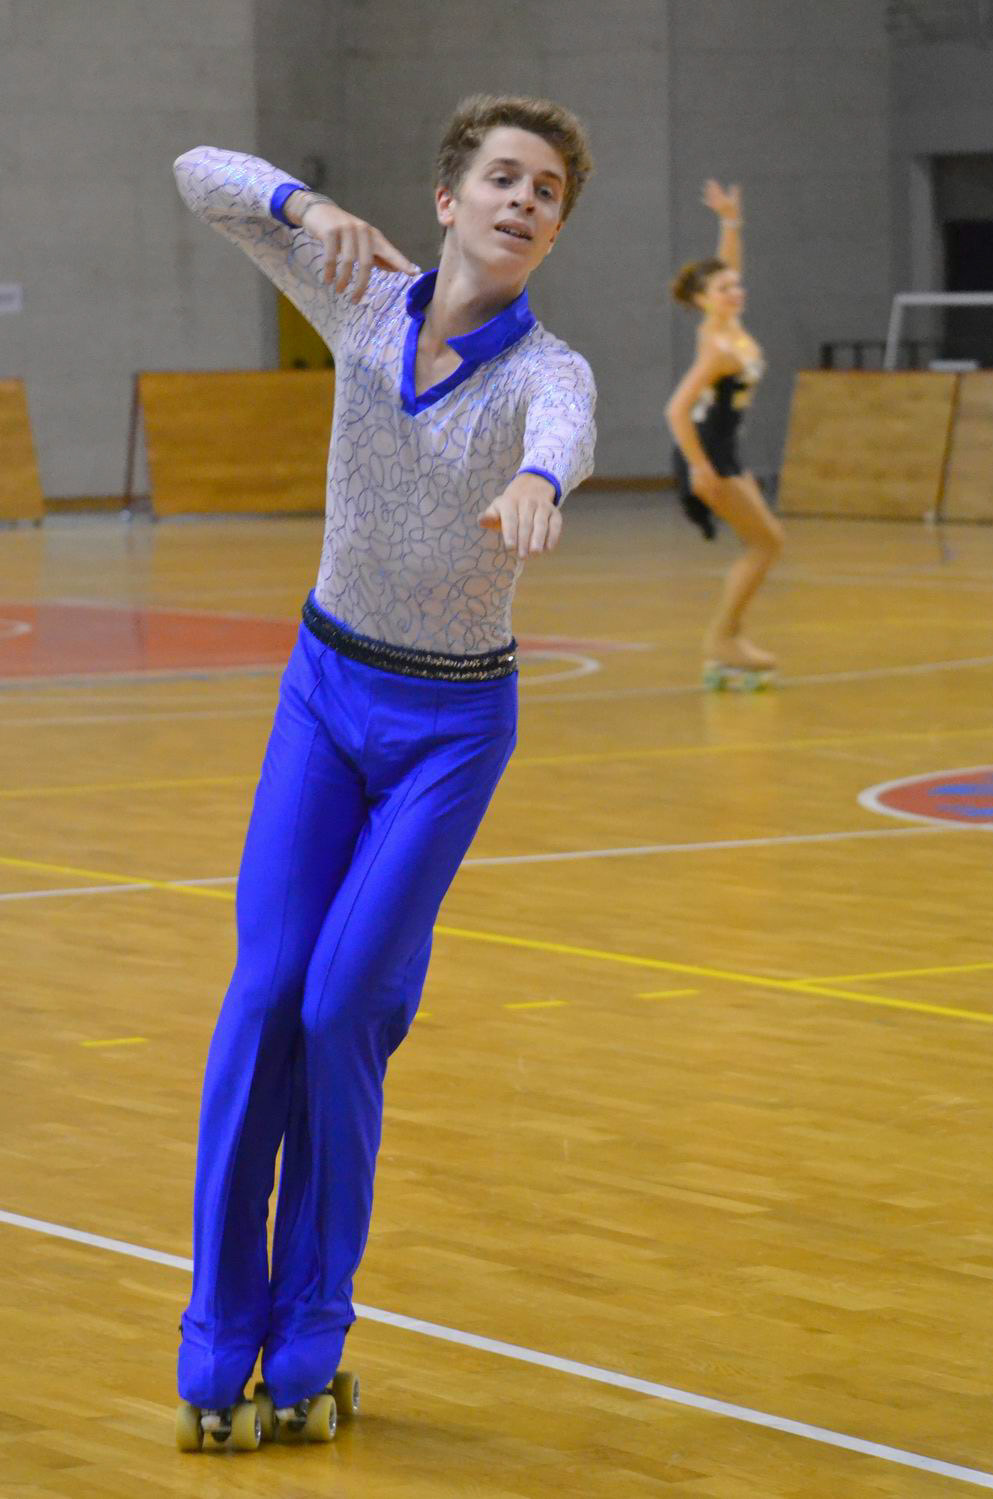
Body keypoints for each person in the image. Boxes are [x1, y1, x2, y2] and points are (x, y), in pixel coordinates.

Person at [171, 93, 595, 1448]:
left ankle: (312, 1322)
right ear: (449, 199)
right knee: (263, 997)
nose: (525, 200)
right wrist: (302, 206)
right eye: (504, 177)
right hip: (325, 693)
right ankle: (216, 1332)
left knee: (345, 1000)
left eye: (548, 192)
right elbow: (194, 172)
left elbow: (566, 426)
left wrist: (540, 483)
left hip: (451, 728)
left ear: (552, 232)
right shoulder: (359, 298)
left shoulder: (547, 373)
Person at [665, 180, 784, 689]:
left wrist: (730, 222)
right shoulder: (717, 345)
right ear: (703, 301)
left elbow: (725, 269)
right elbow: (675, 410)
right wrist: (700, 467)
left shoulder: (727, 324)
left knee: (765, 544)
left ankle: (729, 637)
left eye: (736, 286)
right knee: (766, 544)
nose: (736, 291)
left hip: (724, 449)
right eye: (724, 290)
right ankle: (723, 638)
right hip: (708, 453)